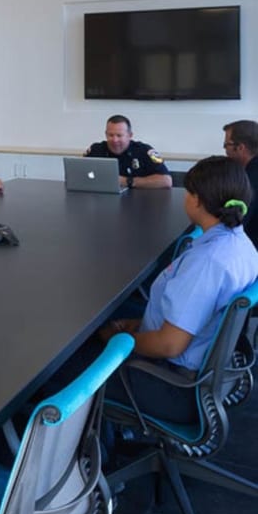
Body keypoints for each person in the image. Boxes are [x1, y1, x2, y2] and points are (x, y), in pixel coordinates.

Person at [101, 156, 258, 421]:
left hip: (173, 384)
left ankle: (98, 438)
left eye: (188, 193)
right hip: (206, 372)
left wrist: (119, 341)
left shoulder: (207, 262)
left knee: (69, 369)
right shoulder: (242, 244)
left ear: (197, 200)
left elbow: (169, 345)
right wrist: (139, 324)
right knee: (114, 316)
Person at [85, 114, 172, 189]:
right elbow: (82, 174)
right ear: (106, 134)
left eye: (119, 135)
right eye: (111, 135)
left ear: (130, 135)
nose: (115, 140)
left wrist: (128, 181)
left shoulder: (145, 151)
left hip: (138, 201)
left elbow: (166, 181)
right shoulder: (95, 150)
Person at [223, 120, 258, 248]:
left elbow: (234, 225)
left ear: (241, 148)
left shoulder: (249, 180)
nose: (225, 150)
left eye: (226, 145)